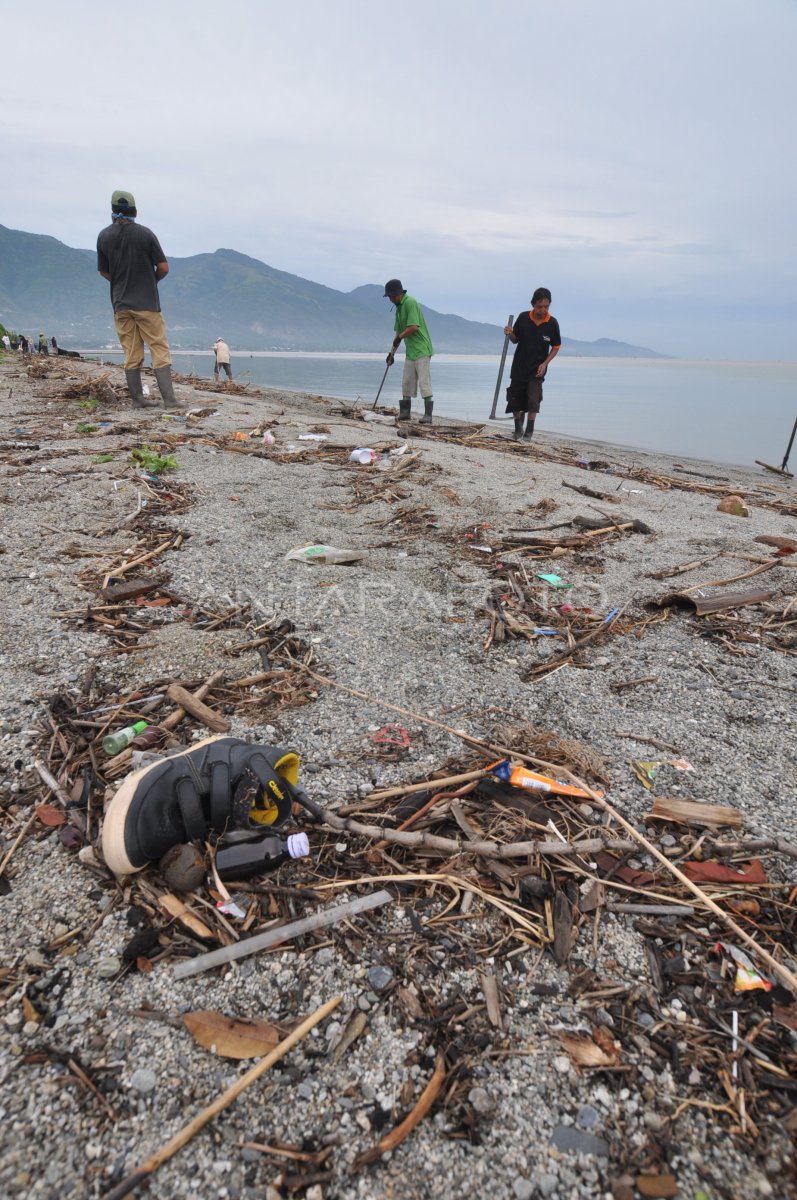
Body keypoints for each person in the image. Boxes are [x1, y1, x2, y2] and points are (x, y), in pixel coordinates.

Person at [96, 189, 181, 409]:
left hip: (121, 304)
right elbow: (163, 267)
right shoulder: (145, 234)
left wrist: (120, 282)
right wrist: (150, 281)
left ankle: (137, 400)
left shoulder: (104, 236)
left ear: (112, 211)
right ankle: (169, 400)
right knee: (158, 347)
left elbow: (104, 272)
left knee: (131, 351)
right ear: (135, 211)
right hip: (147, 303)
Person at [504, 288, 561, 442]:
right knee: (514, 400)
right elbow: (515, 339)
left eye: (546, 307)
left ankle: (529, 432)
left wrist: (545, 363)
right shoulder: (523, 318)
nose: (543, 310)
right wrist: (510, 333)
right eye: (539, 306)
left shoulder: (552, 323)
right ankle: (518, 429)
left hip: (537, 370)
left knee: (533, 400)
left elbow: (556, 347)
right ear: (533, 304)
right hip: (519, 367)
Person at [384, 279, 435, 424]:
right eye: (389, 297)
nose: (390, 299)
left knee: (424, 382)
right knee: (407, 381)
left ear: (398, 294)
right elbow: (399, 333)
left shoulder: (410, 302)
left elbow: (413, 327)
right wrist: (391, 353)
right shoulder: (399, 308)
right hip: (411, 351)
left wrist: (400, 336)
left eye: (391, 296)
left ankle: (428, 415)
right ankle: (405, 413)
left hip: (422, 349)